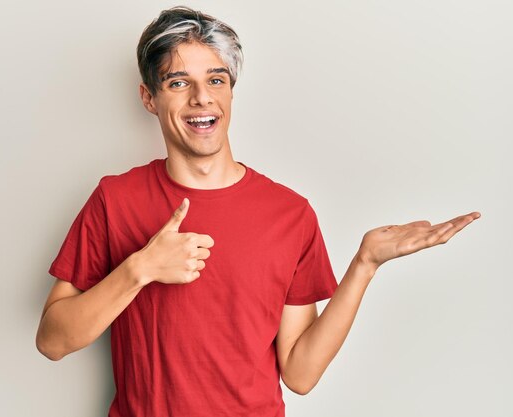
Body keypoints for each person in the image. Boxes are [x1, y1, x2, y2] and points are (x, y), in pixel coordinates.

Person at [35, 6, 480, 417]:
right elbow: (52, 342)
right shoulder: (116, 200)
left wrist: (365, 263)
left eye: (216, 80)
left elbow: (300, 375)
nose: (201, 98)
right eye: (178, 82)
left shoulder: (290, 214)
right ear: (149, 98)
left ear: (230, 91)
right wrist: (141, 268)